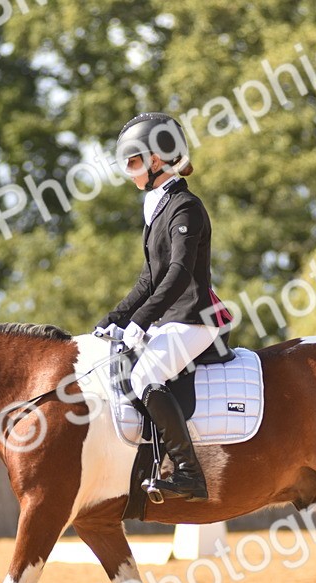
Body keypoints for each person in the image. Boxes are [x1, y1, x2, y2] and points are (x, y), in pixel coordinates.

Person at [93, 112, 227, 502]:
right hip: (169, 320)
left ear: (157, 161)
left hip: (195, 318)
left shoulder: (185, 207)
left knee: (143, 377)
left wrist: (142, 320)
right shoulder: (157, 208)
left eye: (134, 162)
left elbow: (180, 273)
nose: (131, 173)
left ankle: (188, 472)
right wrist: (114, 319)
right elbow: (148, 280)